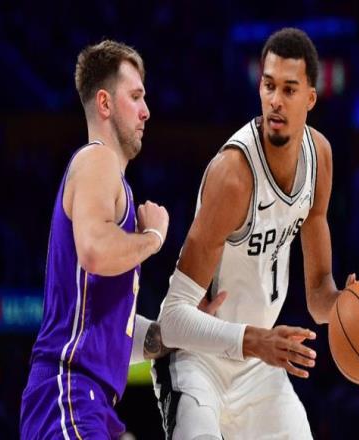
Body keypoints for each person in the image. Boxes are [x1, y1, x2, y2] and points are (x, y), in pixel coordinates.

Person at [152, 27, 359, 439]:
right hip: (199, 359)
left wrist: (353, 303)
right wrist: (257, 342)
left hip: (258, 368)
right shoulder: (233, 177)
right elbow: (173, 319)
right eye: (269, 86)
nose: (276, 101)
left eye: (289, 89)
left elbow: (319, 296)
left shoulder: (320, 158)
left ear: (311, 99)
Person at [19, 39, 223, 440]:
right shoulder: (97, 160)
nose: (146, 111)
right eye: (135, 96)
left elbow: (117, 335)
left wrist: (183, 330)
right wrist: (153, 237)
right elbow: (94, 252)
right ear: (105, 103)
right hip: (70, 393)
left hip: (87, 400)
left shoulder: (113, 186)